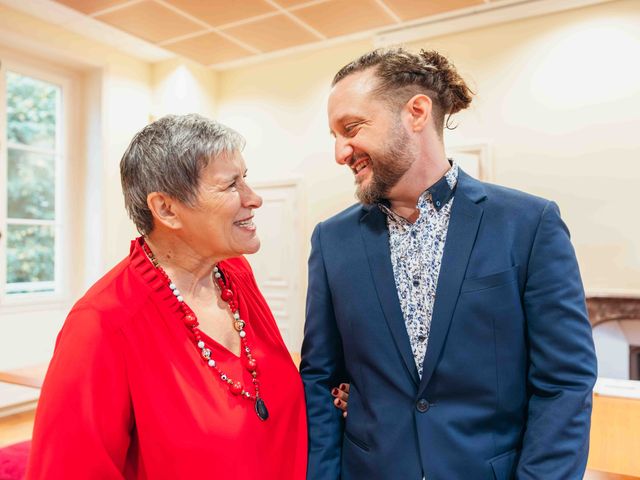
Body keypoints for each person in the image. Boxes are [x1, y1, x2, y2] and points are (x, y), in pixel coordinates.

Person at [300, 48, 597, 479]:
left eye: (352, 128)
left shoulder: (529, 225)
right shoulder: (332, 240)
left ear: (416, 112)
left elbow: (564, 384)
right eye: (334, 136)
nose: (341, 152)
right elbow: (320, 379)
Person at [26, 114, 312, 479]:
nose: (253, 198)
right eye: (230, 186)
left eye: (246, 179)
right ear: (166, 209)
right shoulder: (102, 323)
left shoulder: (236, 273)